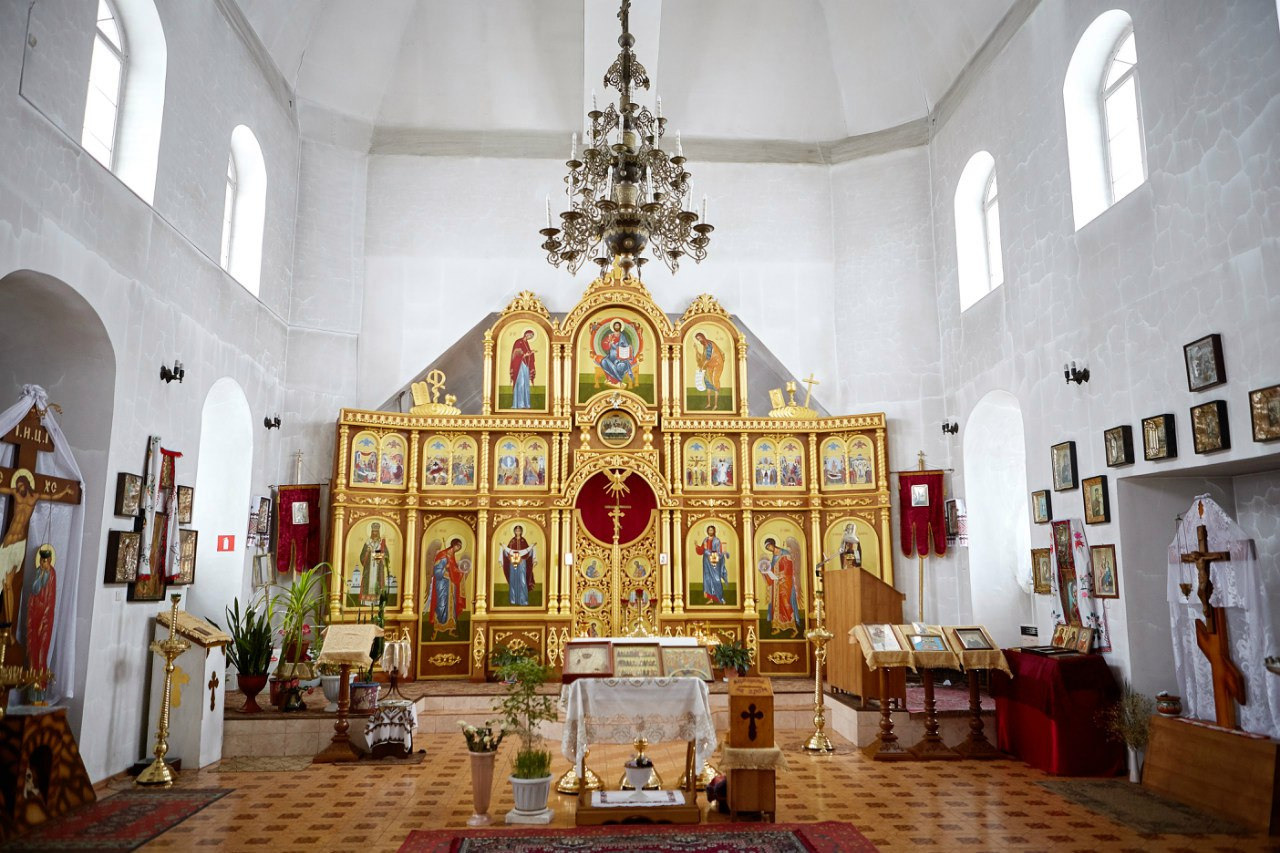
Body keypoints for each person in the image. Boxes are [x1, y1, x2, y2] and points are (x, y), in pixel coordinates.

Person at [26, 546, 56, 701]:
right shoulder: (39, 573)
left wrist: (42, 623)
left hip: (44, 622)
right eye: (42, 561)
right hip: (34, 619)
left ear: (50, 560)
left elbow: (50, 601)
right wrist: (31, 619)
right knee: (32, 653)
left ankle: (41, 691)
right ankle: (32, 691)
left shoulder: (51, 575)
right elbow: (33, 594)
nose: (44, 563)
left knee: (41, 655)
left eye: (46, 561)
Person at [426, 538, 465, 638]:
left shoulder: (451, 556)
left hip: (451, 584)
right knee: (441, 605)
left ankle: (451, 629)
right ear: (454, 545)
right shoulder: (443, 554)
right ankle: (436, 630)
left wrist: (459, 571)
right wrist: (445, 567)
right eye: (458, 546)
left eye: (460, 547)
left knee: (452, 606)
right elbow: (437, 571)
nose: (458, 549)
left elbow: (454, 569)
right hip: (442, 584)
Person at [761, 538, 800, 637]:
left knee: (786, 603)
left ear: (773, 544)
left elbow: (789, 568)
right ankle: (777, 627)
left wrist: (781, 576)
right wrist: (766, 571)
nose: (769, 548)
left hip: (785, 584)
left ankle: (793, 628)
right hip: (776, 585)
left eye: (769, 546)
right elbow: (773, 570)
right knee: (776, 605)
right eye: (767, 548)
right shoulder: (774, 556)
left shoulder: (785, 553)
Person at [501, 525, 535, 606]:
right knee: (513, 580)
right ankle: (513, 600)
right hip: (513, 562)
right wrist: (504, 550)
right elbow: (508, 551)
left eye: (519, 530)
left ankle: (523, 600)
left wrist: (532, 550)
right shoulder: (512, 541)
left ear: (521, 531)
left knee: (522, 580)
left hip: (522, 562)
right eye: (516, 530)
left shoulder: (523, 541)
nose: (518, 532)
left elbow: (527, 551)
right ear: (514, 532)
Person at [695, 524, 729, 604]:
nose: (710, 531)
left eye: (712, 530)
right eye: (709, 530)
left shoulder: (717, 540)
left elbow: (719, 551)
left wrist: (723, 553)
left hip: (714, 561)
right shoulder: (705, 540)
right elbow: (702, 550)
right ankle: (711, 598)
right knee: (707, 579)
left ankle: (720, 597)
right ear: (707, 531)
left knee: (716, 579)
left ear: (714, 531)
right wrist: (697, 546)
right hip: (706, 561)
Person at [359, 522, 391, 605]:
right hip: (369, 569)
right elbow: (362, 557)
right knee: (368, 583)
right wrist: (367, 552)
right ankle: (367, 601)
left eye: (376, 532)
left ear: (379, 532)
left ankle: (377, 600)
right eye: (373, 531)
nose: (375, 533)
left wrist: (379, 556)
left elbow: (386, 555)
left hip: (378, 568)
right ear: (371, 532)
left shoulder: (381, 544)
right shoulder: (367, 543)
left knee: (378, 583)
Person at [597, 321, 637, 387]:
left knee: (620, 366)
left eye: (618, 326)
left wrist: (629, 347)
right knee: (604, 362)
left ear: (620, 327)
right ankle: (615, 380)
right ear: (613, 327)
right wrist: (610, 343)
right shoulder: (610, 336)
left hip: (620, 356)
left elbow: (626, 345)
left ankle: (618, 381)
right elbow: (604, 344)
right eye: (616, 326)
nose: (617, 327)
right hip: (611, 355)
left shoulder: (622, 336)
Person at [693, 331, 725, 410]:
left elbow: (707, 358)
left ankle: (716, 405)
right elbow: (703, 357)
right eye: (698, 339)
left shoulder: (709, 345)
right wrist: (696, 350)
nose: (699, 340)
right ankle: (708, 404)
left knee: (714, 382)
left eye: (700, 338)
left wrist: (702, 367)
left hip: (717, 365)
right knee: (707, 381)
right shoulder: (705, 346)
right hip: (709, 366)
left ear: (703, 337)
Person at [509, 329, 537, 409]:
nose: (530, 337)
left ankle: (526, 403)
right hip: (519, 365)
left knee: (525, 384)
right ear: (526, 334)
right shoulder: (519, 341)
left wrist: (531, 353)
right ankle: (519, 404)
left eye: (532, 337)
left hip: (525, 365)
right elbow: (516, 353)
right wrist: (526, 354)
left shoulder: (526, 343)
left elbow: (527, 353)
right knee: (520, 383)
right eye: (530, 335)